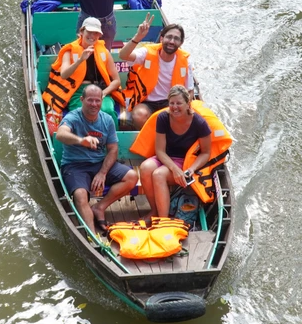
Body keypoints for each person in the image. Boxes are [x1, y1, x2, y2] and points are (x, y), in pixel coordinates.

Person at [56, 85, 138, 231]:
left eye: (97, 101)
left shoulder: (107, 120)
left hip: (99, 163)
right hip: (75, 166)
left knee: (132, 176)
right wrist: (81, 141)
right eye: (90, 100)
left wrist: (103, 172)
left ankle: (99, 207)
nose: (94, 104)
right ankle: (93, 237)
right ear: (82, 100)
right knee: (80, 195)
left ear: (102, 101)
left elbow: (113, 149)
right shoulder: (73, 117)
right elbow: (61, 134)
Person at [137, 86, 212, 220]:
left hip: (187, 162)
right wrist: (174, 168)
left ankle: (163, 220)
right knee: (145, 168)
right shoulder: (163, 118)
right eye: (172, 103)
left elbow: (206, 153)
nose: (174, 107)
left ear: (188, 104)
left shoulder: (199, 123)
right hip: (167, 158)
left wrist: (191, 169)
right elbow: (160, 150)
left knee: (159, 175)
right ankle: (155, 210)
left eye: (179, 103)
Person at [41, 17, 124, 122]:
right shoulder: (69, 50)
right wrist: (80, 60)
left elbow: (117, 81)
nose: (92, 36)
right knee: (84, 112)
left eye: (96, 33)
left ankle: (112, 137)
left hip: (100, 89)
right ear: (81, 31)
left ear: (99, 35)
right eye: (89, 32)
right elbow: (64, 75)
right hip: (78, 91)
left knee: (108, 111)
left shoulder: (104, 52)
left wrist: (103, 93)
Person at [118, 17, 195, 130]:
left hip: (171, 103)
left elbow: (190, 90)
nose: (172, 41)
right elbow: (123, 55)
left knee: (183, 120)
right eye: (169, 37)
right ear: (161, 38)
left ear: (181, 43)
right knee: (139, 116)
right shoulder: (147, 52)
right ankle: (147, 141)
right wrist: (138, 37)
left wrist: (184, 108)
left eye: (176, 39)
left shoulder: (185, 61)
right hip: (146, 102)